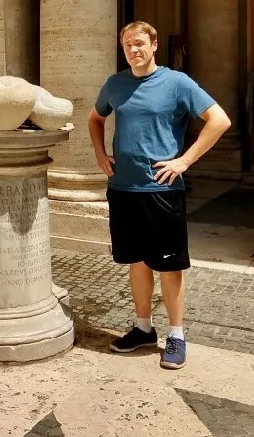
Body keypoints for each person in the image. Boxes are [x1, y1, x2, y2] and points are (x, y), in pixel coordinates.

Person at [88, 21, 230, 369]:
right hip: (124, 188)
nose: (133, 51)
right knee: (137, 261)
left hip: (161, 190)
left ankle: (177, 335)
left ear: (153, 45)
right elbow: (95, 118)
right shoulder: (115, 84)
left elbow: (219, 120)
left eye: (139, 44)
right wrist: (100, 153)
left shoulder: (176, 83)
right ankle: (143, 329)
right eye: (127, 46)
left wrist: (184, 161)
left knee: (169, 265)